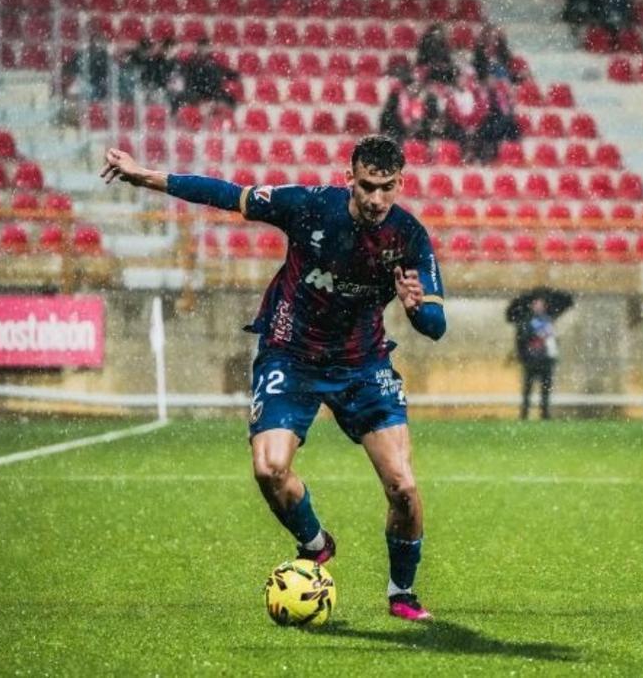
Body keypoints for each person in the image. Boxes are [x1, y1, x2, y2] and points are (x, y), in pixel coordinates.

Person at [98, 135, 447, 620]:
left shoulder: (409, 237)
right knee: (269, 469)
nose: (376, 199)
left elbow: (436, 326)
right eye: (368, 186)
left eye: (387, 187)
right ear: (349, 178)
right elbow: (227, 194)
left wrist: (415, 310)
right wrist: (144, 176)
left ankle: (402, 594)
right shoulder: (308, 207)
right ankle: (316, 543)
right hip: (291, 355)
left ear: (400, 183)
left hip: (363, 366)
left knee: (403, 487)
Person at [516, 297, 558, 420]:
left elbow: (552, 340)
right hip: (532, 360)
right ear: (533, 307)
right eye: (536, 305)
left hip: (546, 360)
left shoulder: (548, 320)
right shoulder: (527, 321)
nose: (538, 307)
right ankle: (524, 414)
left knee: (546, 389)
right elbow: (522, 339)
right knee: (527, 389)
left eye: (541, 305)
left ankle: (544, 414)